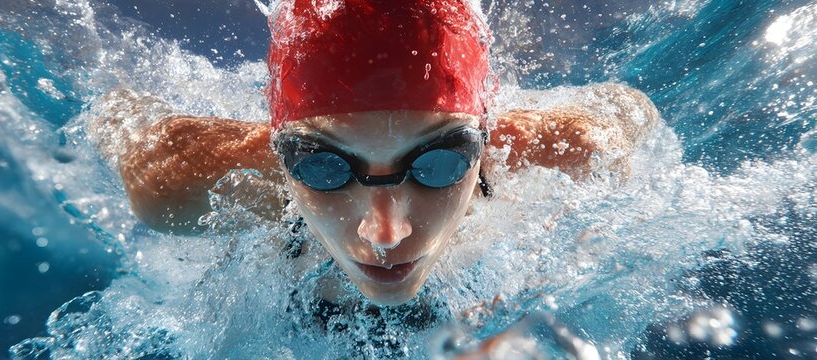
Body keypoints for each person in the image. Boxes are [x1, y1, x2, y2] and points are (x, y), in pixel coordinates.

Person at [88, 0, 659, 306]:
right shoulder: (176, 183)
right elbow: (113, 114)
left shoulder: (572, 151)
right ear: (278, 154)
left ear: (485, 144)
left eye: (439, 163)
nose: (385, 234)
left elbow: (627, 107)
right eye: (323, 166)